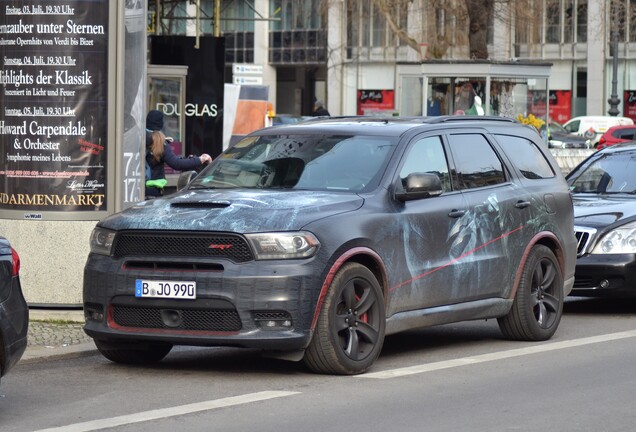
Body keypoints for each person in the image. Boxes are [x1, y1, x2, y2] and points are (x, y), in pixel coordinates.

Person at [145, 110, 212, 198]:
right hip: (153, 193)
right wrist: (200, 159)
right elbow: (176, 164)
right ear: (161, 124)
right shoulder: (159, 142)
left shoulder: (140, 137)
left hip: (138, 190)